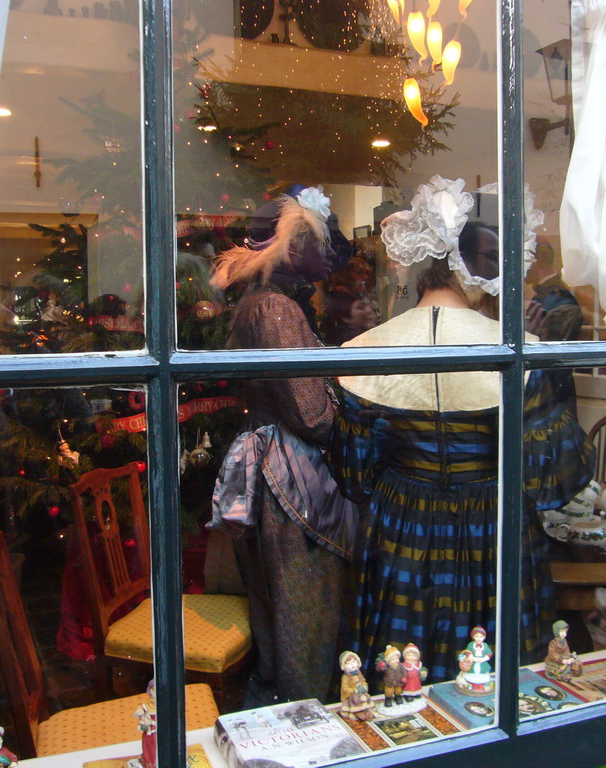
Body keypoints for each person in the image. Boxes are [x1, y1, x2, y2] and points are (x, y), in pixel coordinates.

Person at [331, 176, 594, 679]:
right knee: (495, 675)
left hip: (401, 523)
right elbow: (554, 480)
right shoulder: (521, 352)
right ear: (469, 269)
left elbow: (355, 475)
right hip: (494, 525)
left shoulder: (364, 350)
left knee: (400, 670)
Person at [209, 185, 358, 706]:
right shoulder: (276, 309)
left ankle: (286, 704)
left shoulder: (263, 303)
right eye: (319, 241)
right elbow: (311, 412)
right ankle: (304, 713)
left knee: (282, 603)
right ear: (294, 246)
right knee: (303, 604)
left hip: (275, 459)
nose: (328, 254)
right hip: (291, 472)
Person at [338, 651, 377, 720]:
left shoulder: (359, 673)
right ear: (344, 666)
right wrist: (354, 690)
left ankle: (366, 711)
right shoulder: (345, 677)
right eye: (349, 663)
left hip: (361, 692)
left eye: (354, 662)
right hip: (352, 695)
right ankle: (356, 712)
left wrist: (364, 687)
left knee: (367, 697)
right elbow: (344, 688)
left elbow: (363, 681)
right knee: (355, 700)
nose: (352, 665)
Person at [135, 680, 157, 768]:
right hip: (149, 735)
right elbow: (139, 718)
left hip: (159, 734)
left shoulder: (163, 706)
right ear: (151, 691)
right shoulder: (145, 707)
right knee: (149, 749)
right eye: (155, 690)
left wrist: (151, 722)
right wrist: (143, 722)